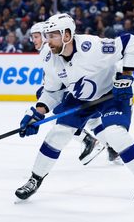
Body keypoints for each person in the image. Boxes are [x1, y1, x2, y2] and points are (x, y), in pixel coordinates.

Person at [15, 13, 134, 208]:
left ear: (67, 35)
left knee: (115, 134)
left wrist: (126, 75)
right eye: (47, 36)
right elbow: (52, 93)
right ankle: (34, 179)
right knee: (57, 134)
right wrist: (36, 113)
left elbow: (132, 43)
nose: (47, 41)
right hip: (79, 98)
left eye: (53, 36)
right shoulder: (51, 59)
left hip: (111, 94)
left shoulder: (92, 47)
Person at [30, 21, 122, 166]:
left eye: (36, 36)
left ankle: (88, 139)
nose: (34, 40)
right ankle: (110, 147)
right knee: (93, 120)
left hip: (81, 91)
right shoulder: (50, 51)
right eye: (32, 37)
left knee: (66, 117)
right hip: (86, 91)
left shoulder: (48, 52)